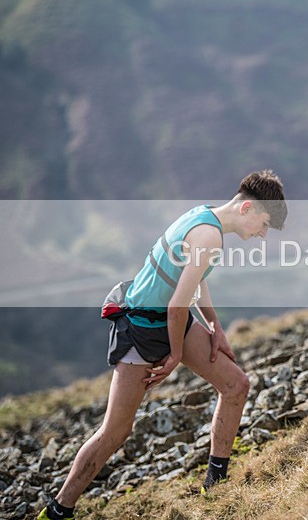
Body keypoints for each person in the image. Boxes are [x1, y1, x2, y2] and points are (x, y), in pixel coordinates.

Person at [38, 170, 287, 520]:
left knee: (236, 385)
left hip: (171, 323)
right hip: (141, 329)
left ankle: (216, 484)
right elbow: (176, 307)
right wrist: (174, 355)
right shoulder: (209, 237)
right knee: (116, 430)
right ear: (247, 208)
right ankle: (57, 510)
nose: (262, 235)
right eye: (263, 225)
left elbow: (194, 283)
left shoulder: (203, 216)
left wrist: (216, 327)